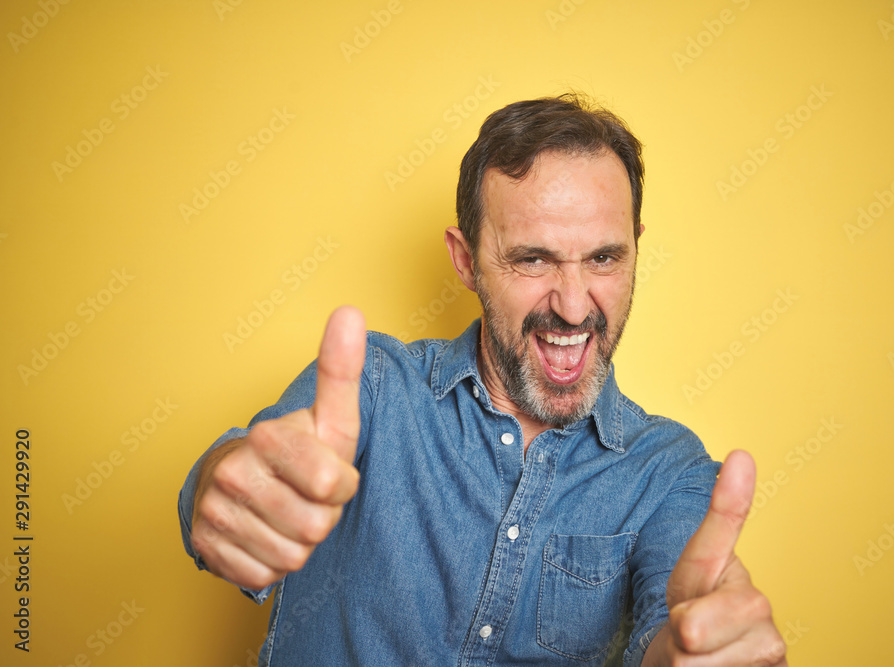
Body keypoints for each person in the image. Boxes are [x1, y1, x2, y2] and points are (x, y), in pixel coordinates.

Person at [178, 93, 787, 666]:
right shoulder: (371, 387)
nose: (574, 307)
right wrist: (225, 488)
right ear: (466, 261)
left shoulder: (669, 471)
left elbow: (674, 621)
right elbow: (240, 475)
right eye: (532, 259)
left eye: (604, 257)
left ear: (634, 251)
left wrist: (690, 648)